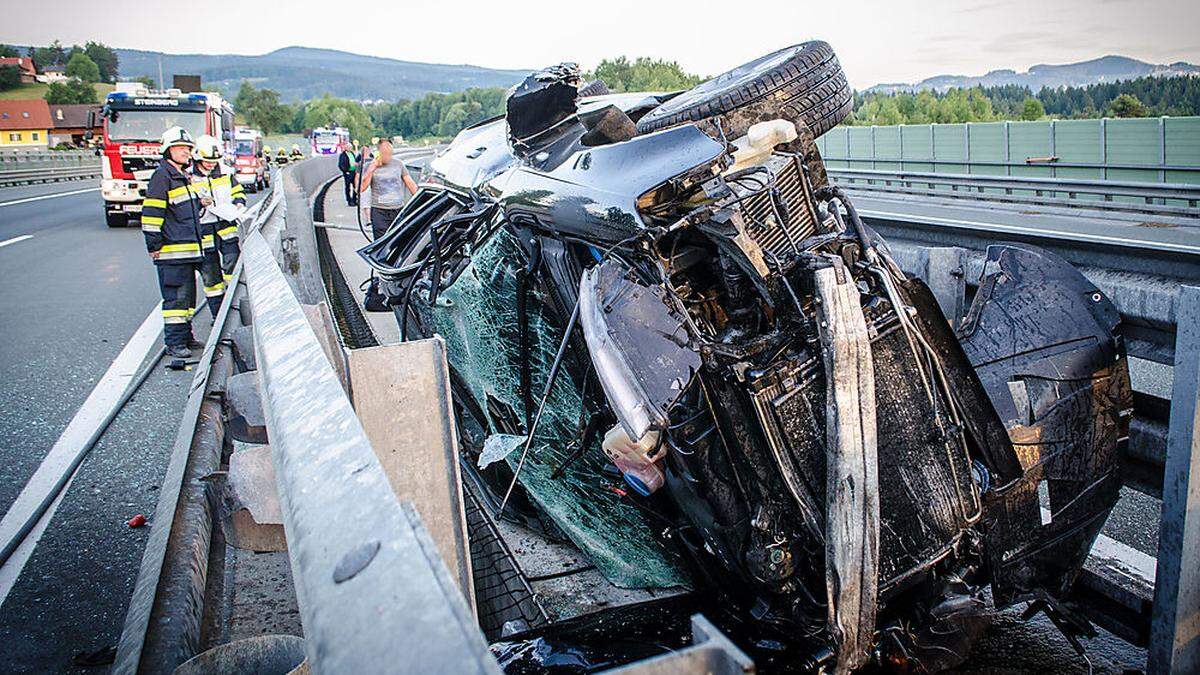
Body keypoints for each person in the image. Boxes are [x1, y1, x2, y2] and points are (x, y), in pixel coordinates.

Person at [141, 127, 206, 359]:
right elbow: (151, 214)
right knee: (176, 300)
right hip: (172, 252)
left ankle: (185, 337)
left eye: (188, 149)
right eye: (180, 148)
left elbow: (185, 212)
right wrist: (153, 245)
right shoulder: (163, 176)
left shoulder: (181, 176)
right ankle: (174, 343)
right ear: (168, 150)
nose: (186, 153)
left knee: (187, 300)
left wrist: (201, 203)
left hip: (187, 251)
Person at [358, 138, 418, 311]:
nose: (388, 157)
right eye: (385, 154)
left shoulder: (398, 164)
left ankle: (398, 284)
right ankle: (383, 286)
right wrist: (371, 169)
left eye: (391, 153)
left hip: (397, 210)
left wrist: (419, 200)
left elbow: (410, 183)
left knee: (401, 247)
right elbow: (361, 188)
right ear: (379, 153)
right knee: (383, 249)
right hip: (380, 212)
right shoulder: (373, 166)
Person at [191, 134, 245, 304]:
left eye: (214, 161)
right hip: (204, 228)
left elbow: (238, 191)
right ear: (198, 157)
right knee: (210, 274)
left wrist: (239, 203)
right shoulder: (188, 177)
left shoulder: (226, 173)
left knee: (233, 263)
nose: (211, 164)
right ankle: (218, 313)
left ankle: (235, 302)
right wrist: (199, 203)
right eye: (207, 160)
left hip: (226, 225)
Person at [337, 141, 358, 206]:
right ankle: (349, 200)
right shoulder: (342, 155)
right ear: (346, 148)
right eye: (349, 147)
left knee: (356, 186)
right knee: (348, 187)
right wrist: (345, 171)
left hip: (354, 171)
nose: (350, 148)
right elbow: (341, 165)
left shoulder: (352, 153)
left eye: (351, 147)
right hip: (347, 172)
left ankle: (354, 200)